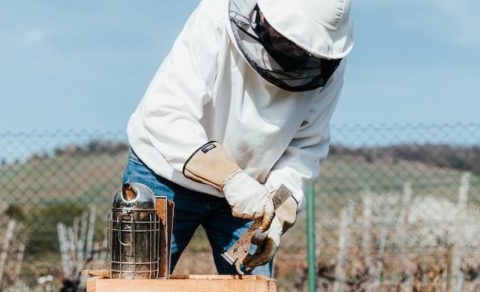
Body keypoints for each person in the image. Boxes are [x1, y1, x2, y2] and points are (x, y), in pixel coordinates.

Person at [122, 0, 354, 277]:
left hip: (253, 196)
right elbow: (167, 114)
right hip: (164, 174)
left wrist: (278, 211)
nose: (295, 53)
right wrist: (230, 178)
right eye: (289, 41)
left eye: (303, 48)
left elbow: (304, 147)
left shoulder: (327, 64)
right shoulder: (214, 18)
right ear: (266, 16)